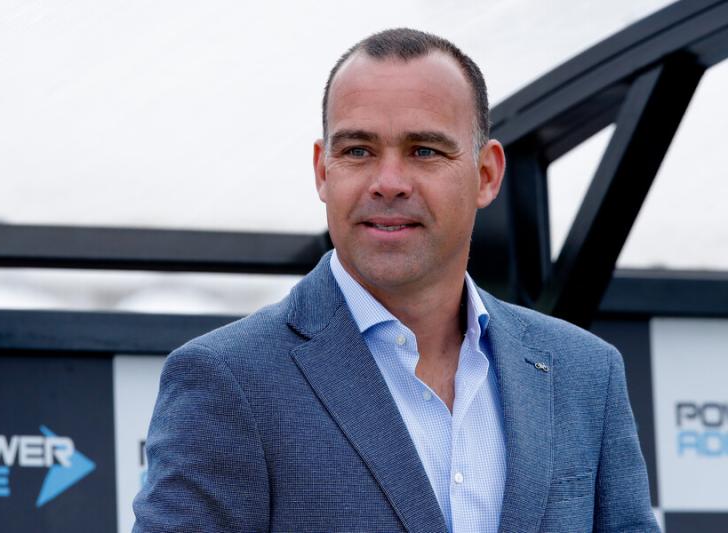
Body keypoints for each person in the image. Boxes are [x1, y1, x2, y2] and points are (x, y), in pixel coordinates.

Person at [133, 28, 659, 533]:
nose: (388, 183)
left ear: (487, 174)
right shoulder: (229, 379)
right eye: (358, 151)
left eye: (424, 151)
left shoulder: (585, 373)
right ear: (322, 170)